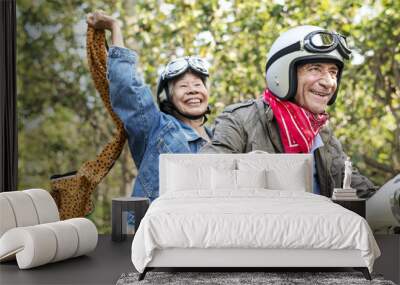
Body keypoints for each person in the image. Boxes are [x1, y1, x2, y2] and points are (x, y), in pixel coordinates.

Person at [201, 25, 375, 197]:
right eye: (315, 69)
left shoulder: (321, 133)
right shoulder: (239, 120)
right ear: (283, 72)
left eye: (333, 72)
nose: (329, 82)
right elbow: (207, 179)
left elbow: (353, 185)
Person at [86, 11, 212, 201]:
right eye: (183, 86)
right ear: (168, 98)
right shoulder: (157, 128)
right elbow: (127, 86)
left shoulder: (222, 138)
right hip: (159, 227)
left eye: (197, 84)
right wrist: (114, 26)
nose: (192, 90)